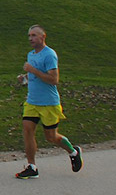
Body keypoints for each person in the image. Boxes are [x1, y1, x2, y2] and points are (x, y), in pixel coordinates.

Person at [14, 25, 83, 179]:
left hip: (48, 103)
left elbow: (53, 80)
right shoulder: (31, 55)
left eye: (34, 35)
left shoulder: (49, 54)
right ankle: (32, 166)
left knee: (51, 137)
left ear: (42, 37)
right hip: (32, 102)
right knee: (27, 129)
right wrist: (24, 78)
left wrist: (32, 70)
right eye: (29, 36)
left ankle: (73, 151)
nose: (30, 39)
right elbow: (33, 76)